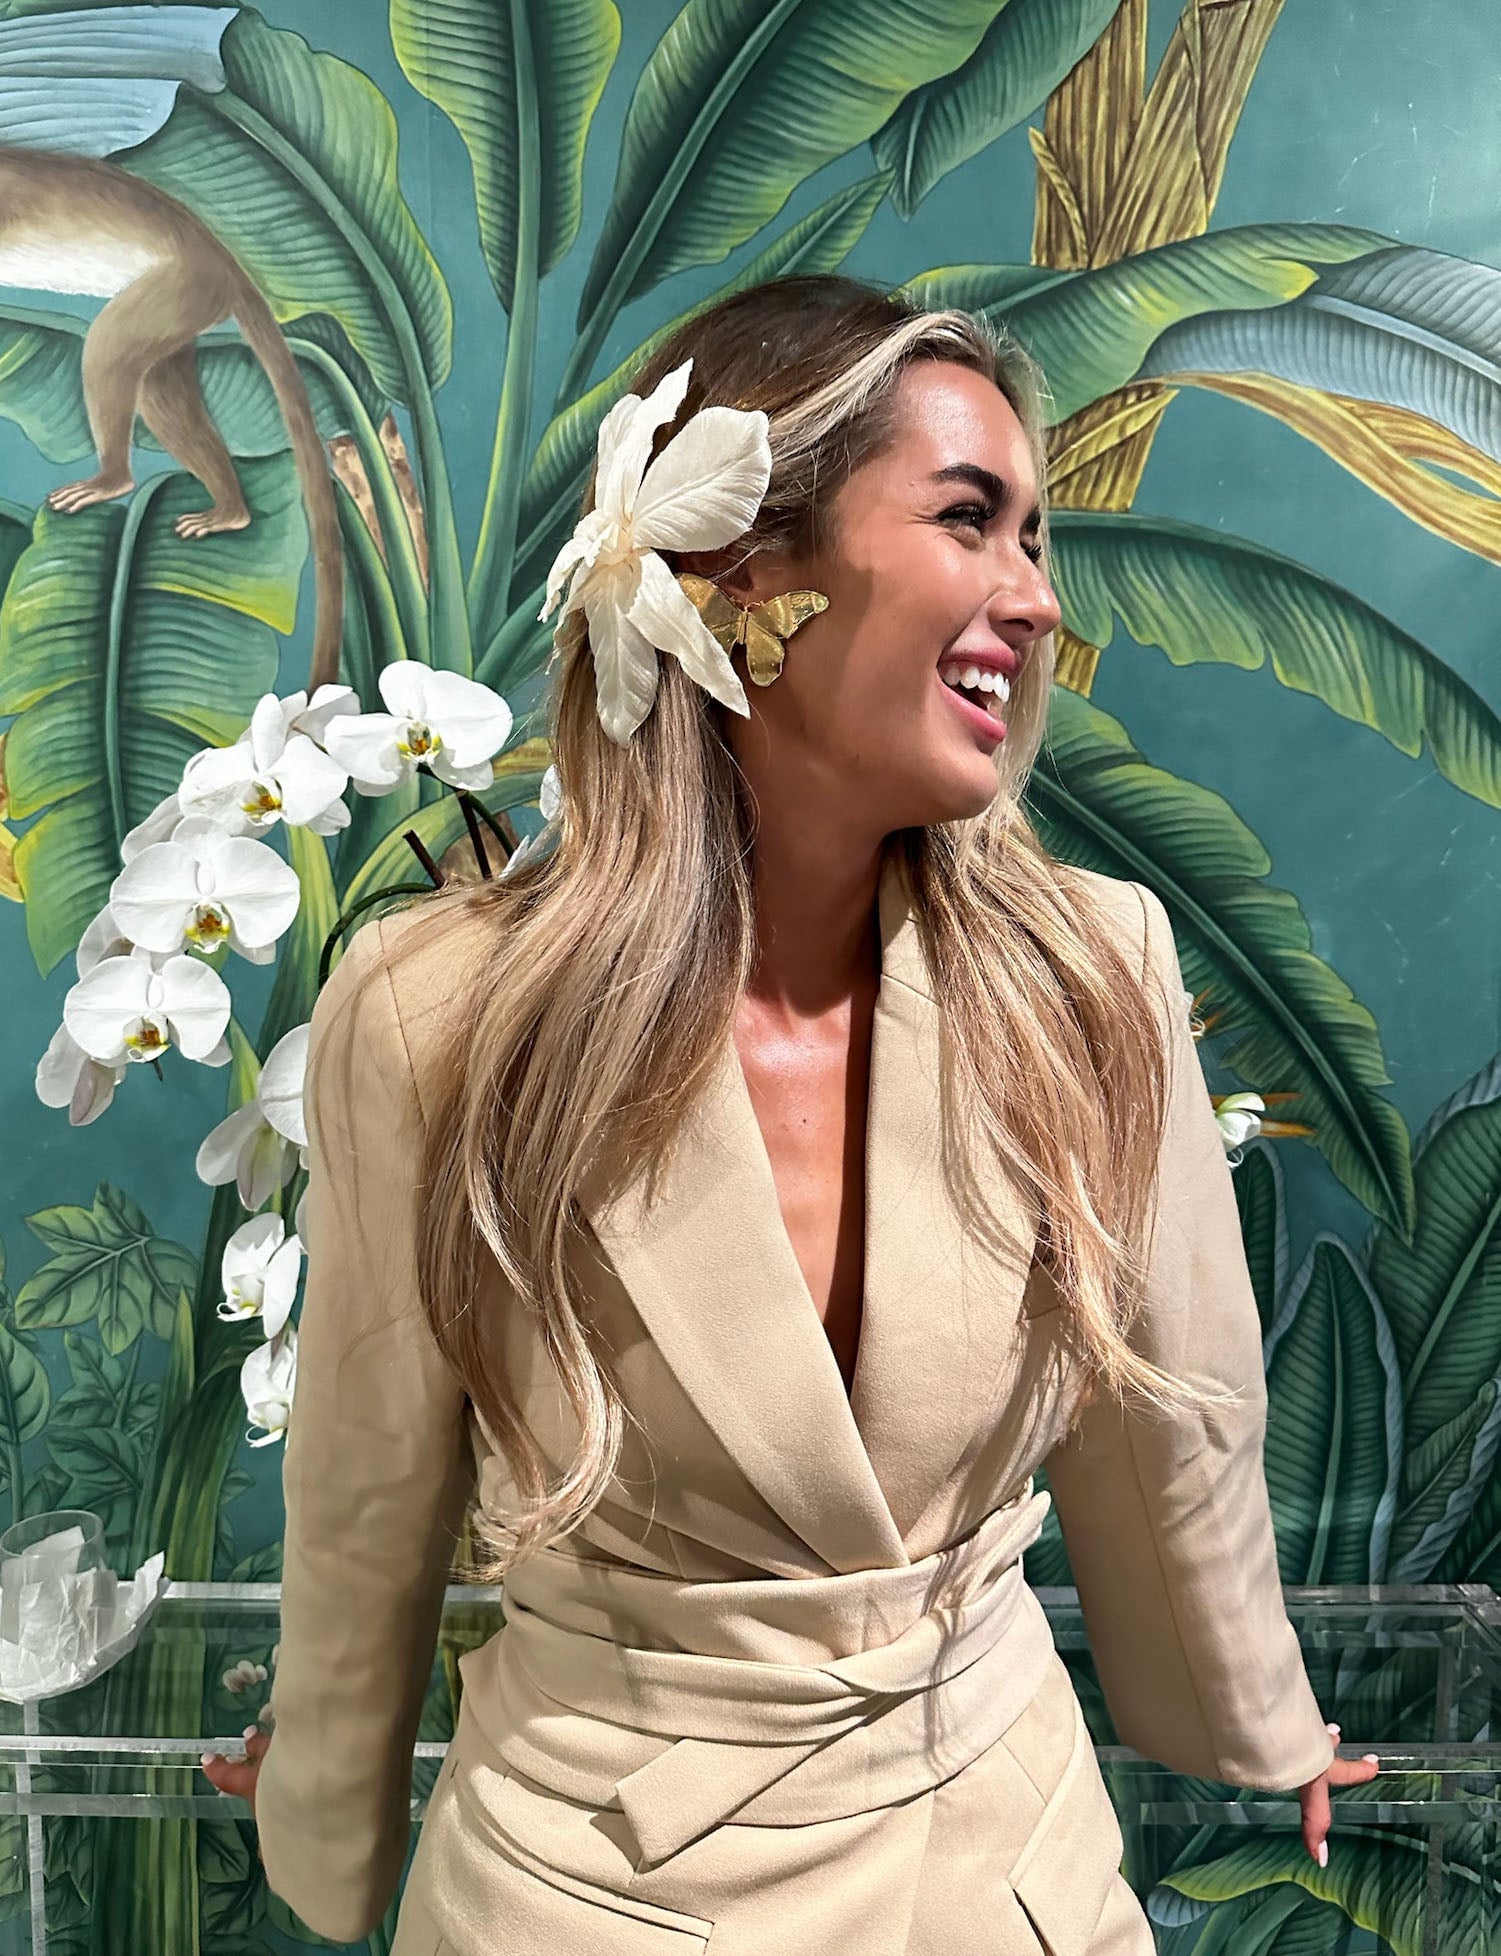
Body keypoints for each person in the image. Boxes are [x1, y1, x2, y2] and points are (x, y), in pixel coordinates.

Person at [202, 274, 1379, 1955]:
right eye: (967, 519)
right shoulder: (442, 1014)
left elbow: (1169, 1428)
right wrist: (323, 1791)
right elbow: (369, 1486)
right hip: (587, 1888)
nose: (1032, 598)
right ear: (742, 567)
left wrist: (1260, 1726)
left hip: (999, 1871)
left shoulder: (1089, 975)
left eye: (1034, 538)